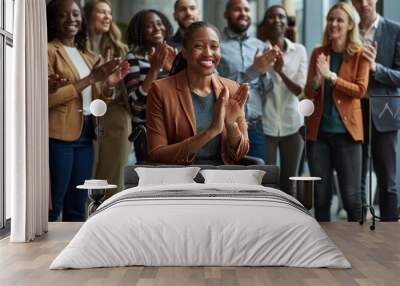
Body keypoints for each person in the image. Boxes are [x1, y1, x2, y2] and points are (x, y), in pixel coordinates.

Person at [47, 0, 129, 221]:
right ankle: (46, 254)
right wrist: (92, 78)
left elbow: (95, 100)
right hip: (58, 136)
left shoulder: (86, 55)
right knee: (54, 206)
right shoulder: (48, 51)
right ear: (53, 20)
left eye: (75, 14)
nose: (71, 19)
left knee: (78, 205)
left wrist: (109, 84)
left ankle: (75, 254)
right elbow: (46, 100)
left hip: (86, 134)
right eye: (63, 15)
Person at [146, 21, 250, 165]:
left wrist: (232, 126)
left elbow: (240, 153)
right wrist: (211, 132)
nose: (208, 53)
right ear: (185, 52)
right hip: (179, 177)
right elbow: (156, 153)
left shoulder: (231, 89)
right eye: (199, 46)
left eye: (214, 47)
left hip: (221, 178)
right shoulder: (160, 90)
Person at [304, 2, 370, 222]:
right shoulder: (318, 52)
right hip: (318, 135)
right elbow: (309, 92)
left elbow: (360, 90)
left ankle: (359, 250)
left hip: (348, 135)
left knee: (352, 198)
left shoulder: (360, 54)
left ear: (350, 24)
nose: (334, 23)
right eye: (331, 19)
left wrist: (331, 76)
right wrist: (318, 78)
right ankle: (323, 249)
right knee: (321, 197)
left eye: (339, 20)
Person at [352, 0, 400, 221]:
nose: (363, 3)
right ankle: (359, 229)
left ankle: (390, 233)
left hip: (384, 111)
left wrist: (375, 68)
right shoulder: (349, 28)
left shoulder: (394, 30)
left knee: (387, 180)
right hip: (353, 110)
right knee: (356, 178)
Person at [217, 0, 278, 162]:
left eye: (246, 9)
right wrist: (254, 70)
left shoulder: (259, 45)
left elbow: (267, 89)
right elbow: (217, 87)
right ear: (226, 14)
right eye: (237, 9)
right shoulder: (217, 45)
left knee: (258, 177)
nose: (243, 13)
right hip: (227, 127)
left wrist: (263, 72)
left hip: (256, 127)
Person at [257, 5, 307, 195]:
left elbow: (299, 90)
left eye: (281, 17)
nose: (276, 20)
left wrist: (281, 71)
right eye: (271, 17)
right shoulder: (258, 52)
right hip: (265, 125)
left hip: (293, 125)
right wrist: (262, 65)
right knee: (267, 181)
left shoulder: (299, 51)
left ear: (287, 23)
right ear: (264, 23)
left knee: (290, 181)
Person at [84, 0, 131, 198]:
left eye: (109, 13)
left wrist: (108, 85)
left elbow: (125, 89)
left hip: (115, 116)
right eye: (101, 12)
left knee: (113, 176)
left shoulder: (120, 50)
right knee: (87, 175)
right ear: (88, 15)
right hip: (85, 117)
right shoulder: (79, 48)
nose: (107, 17)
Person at [124, 9, 176, 163]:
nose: (157, 28)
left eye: (159, 24)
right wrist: (154, 70)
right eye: (149, 26)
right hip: (147, 133)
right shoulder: (133, 59)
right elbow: (136, 105)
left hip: (172, 130)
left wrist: (172, 70)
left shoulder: (174, 55)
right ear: (140, 31)